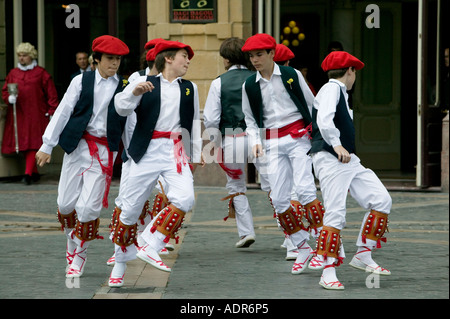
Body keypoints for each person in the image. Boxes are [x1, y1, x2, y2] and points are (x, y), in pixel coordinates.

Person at [109, 40, 204, 287]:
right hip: (146, 150)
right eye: (185, 56)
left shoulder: (189, 88)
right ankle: (119, 263)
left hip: (175, 151)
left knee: (185, 198)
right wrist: (133, 92)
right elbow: (120, 108)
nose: (188, 61)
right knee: (129, 210)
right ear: (169, 58)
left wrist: (196, 151)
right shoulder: (144, 83)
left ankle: (151, 244)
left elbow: (192, 121)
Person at [35, 35, 130, 278]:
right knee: (65, 204)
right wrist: (47, 145)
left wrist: (131, 154)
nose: (115, 64)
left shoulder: (124, 87)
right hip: (77, 147)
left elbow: (130, 123)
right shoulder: (81, 81)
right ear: (96, 59)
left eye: (118, 59)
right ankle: (71, 240)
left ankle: (79, 255)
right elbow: (63, 110)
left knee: (88, 208)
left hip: (104, 152)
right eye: (110, 59)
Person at [241, 33, 325, 275]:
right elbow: (248, 118)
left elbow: (312, 105)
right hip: (272, 144)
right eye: (251, 56)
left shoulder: (291, 75)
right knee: (279, 199)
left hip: (298, 138)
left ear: (271, 54)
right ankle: (301, 245)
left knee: (306, 190)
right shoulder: (249, 85)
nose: (254, 60)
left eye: (259, 55)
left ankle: (325, 243)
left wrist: (318, 135)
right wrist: (255, 140)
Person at [310, 51, 392, 290]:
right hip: (331, 157)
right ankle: (327, 271)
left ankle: (363, 255)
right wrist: (336, 144)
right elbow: (324, 120)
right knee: (335, 213)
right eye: (354, 72)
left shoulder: (338, 92)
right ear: (350, 71)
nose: (354, 76)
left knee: (381, 199)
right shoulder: (332, 89)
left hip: (347, 160)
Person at [203, 37, 257, 248]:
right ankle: (292, 240)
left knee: (236, 185)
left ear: (226, 59)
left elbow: (210, 118)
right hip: (257, 138)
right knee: (275, 186)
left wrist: (215, 142)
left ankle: (246, 232)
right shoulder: (258, 78)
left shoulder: (219, 82)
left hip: (232, 138)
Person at [1, 42, 59, 185]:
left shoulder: (41, 73)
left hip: (36, 114)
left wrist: (52, 111)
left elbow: (51, 94)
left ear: (31, 56)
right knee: (23, 143)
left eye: (24, 55)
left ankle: (28, 174)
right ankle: (34, 172)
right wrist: (9, 97)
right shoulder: (13, 73)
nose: (21, 58)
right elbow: (5, 90)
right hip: (20, 114)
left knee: (34, 143)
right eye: (19, 55)